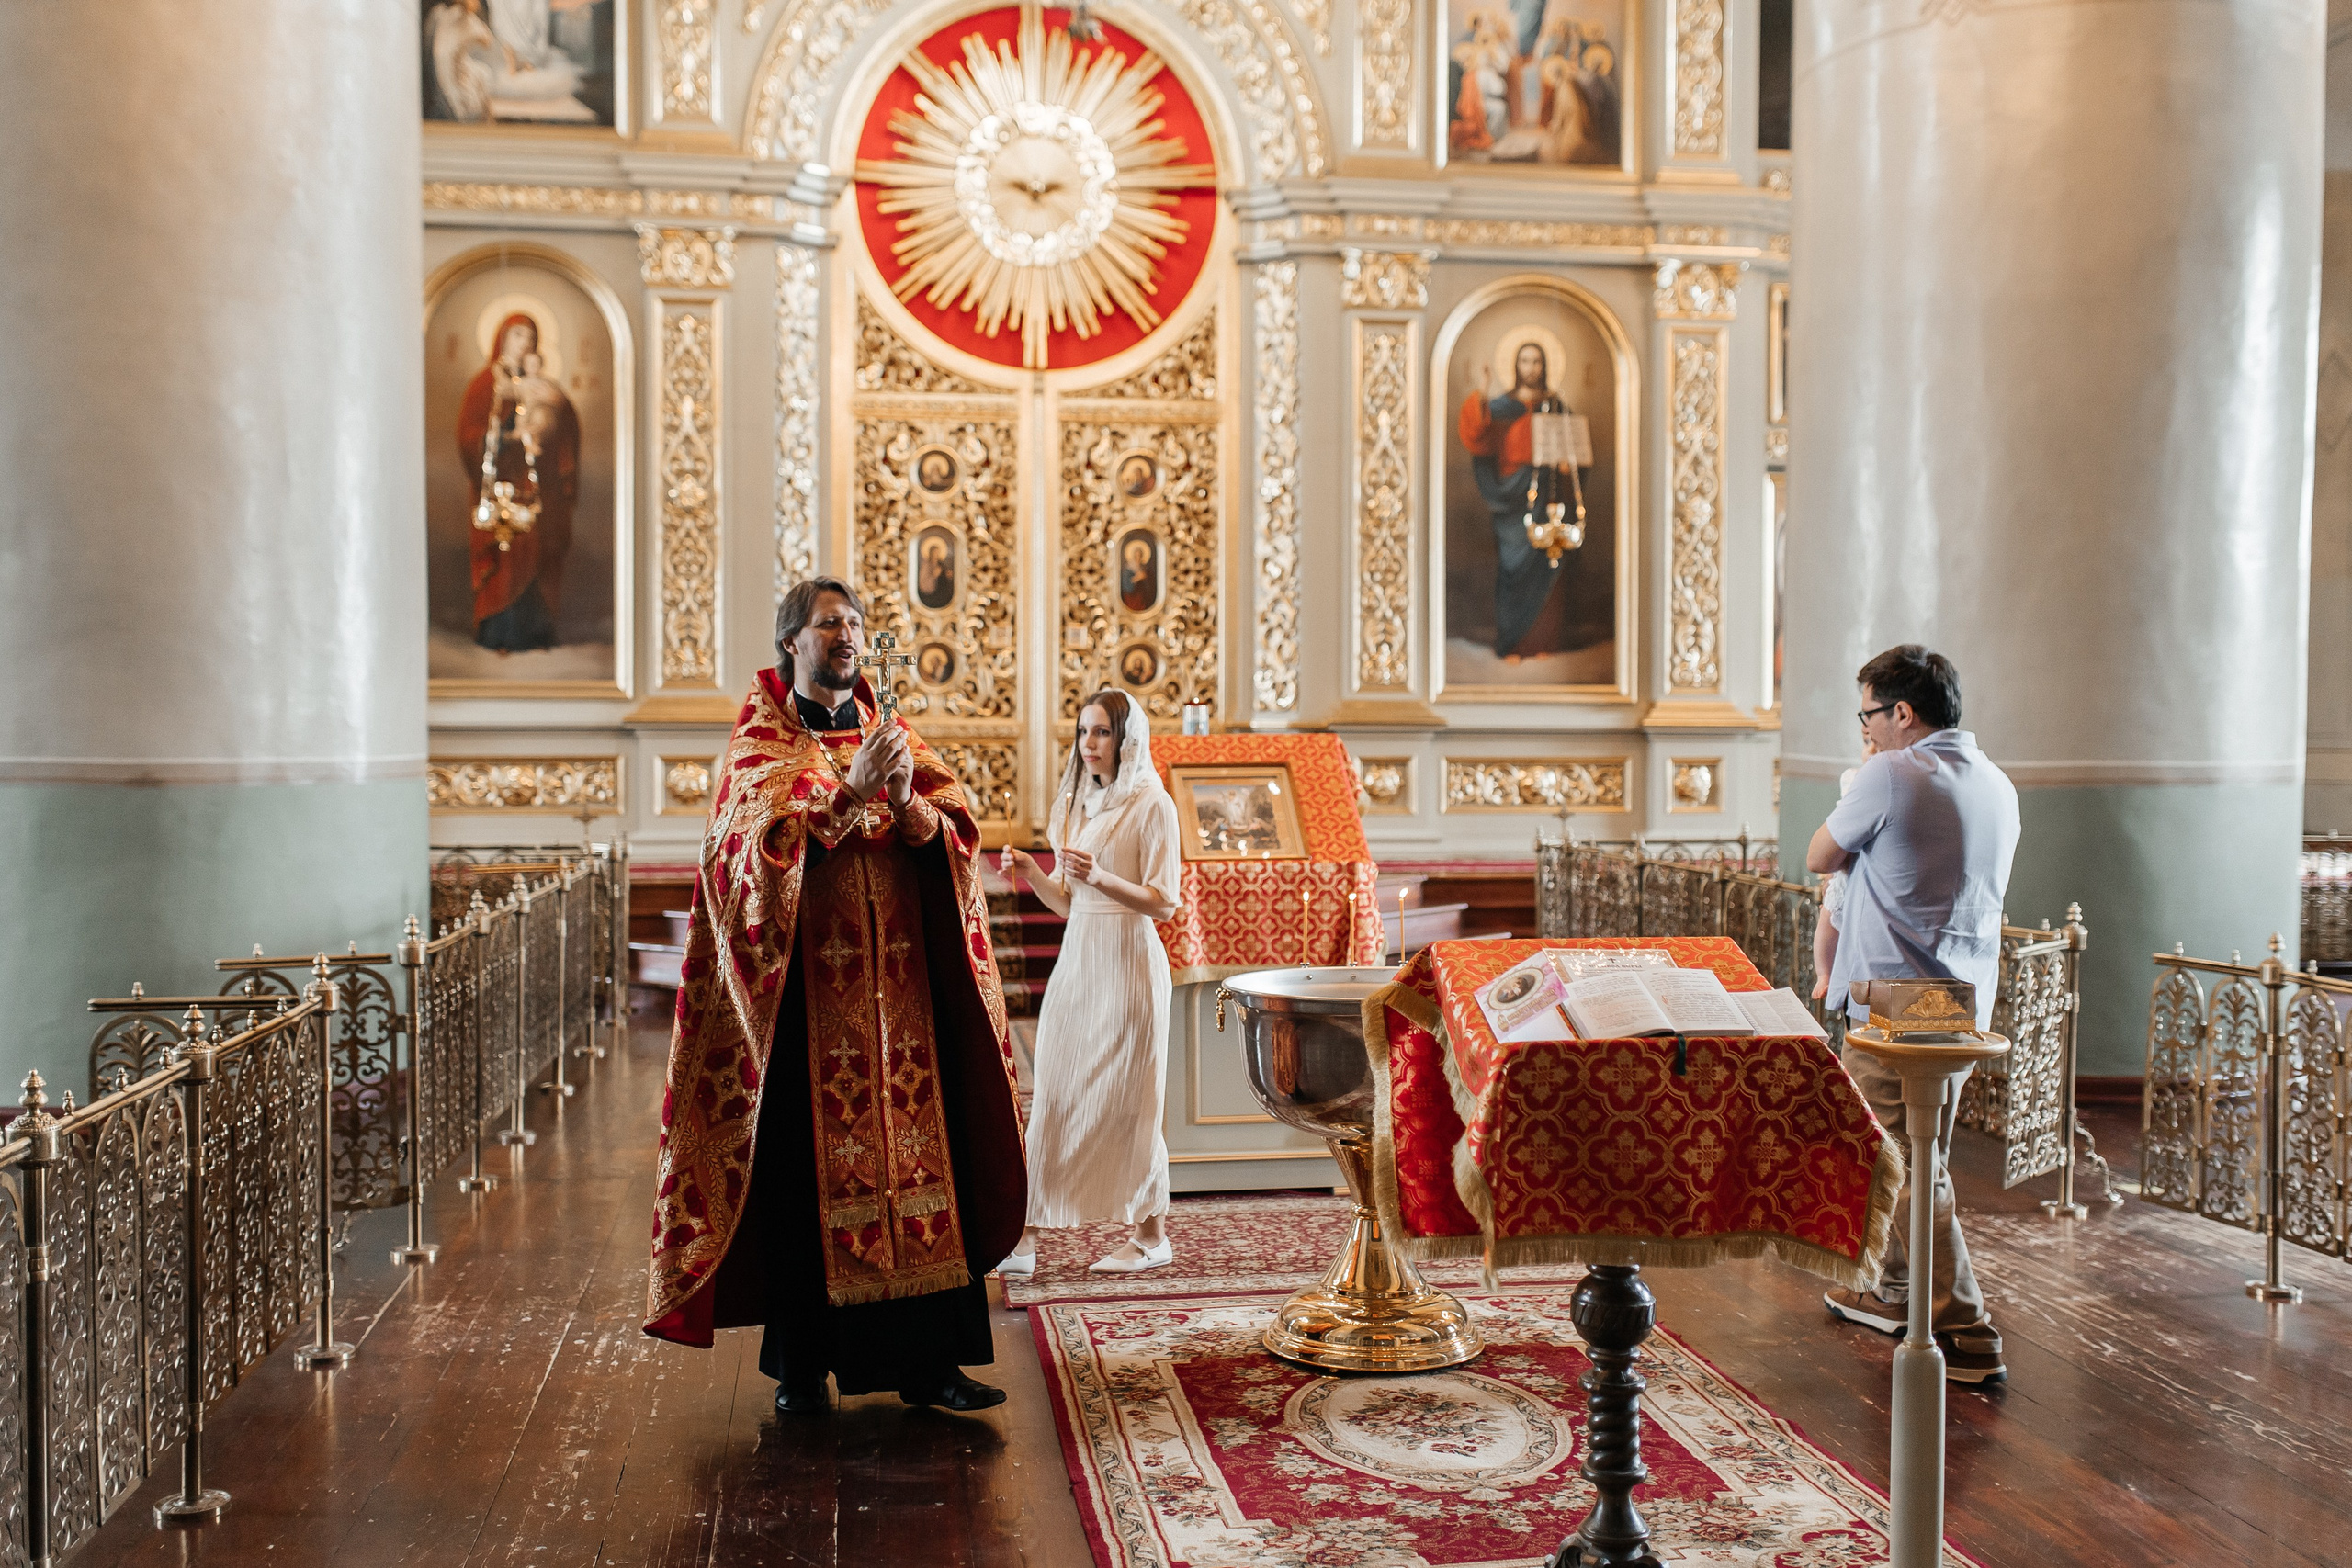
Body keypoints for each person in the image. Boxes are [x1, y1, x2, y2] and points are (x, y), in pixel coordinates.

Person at [643, 576, 1026, 1416]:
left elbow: (954, 827)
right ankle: (803, 1371)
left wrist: (906, 809)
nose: (845, 636)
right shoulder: (759, 746)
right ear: (792, 642)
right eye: (827, 625)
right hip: (806, 1011)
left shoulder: (891, 731)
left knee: (925, 1170)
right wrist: (845, 799)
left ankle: (931, 1364)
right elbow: (743, 858)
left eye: (854, 622)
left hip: (905, 1009)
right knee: (803, 1181)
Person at [1806, 644, 2020, 1385]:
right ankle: (1897, 1290)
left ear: (1902, 712)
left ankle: (1965, 1329)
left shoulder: (1891, 773)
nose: (1864, 728)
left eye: (1868, 713)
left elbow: (1818, 852)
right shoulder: (1995, 780)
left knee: (1905, 1161)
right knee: (1919, 1152)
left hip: (1894, 1002)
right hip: (1960, 1000)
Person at [995, 690, 1184, 1276]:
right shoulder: (1077, 803)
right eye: (1083, 733)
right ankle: (1023, 1236)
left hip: (1130, 962)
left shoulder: (1154, 805)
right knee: (1054, 1091)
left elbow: (1164, 903)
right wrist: (1033, 873)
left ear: (1126, 739)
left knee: (1132, 1101)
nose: (1089, 744)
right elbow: (1068, 902)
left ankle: (1152, 1236)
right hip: (1080, 962)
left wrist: (1101, 875)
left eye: (1101, 732)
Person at [459, 312, 578, 652]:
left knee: (536, 551)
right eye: (516, 335)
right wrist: (505, 432)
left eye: (529, 337)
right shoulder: (485, 384)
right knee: (504, 557)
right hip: (497, 484)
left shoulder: (540, 382)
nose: (523, 343)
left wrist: (554, 413)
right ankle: (498, 633)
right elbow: (469, 437)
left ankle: (536, 632)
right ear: (501, 338)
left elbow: (561, 422)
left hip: (534, 485)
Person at [1461, 343, 1578, 660]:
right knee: (1513, 567)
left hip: (1548, 495)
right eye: (1525, 361)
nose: (1531, 368)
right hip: (1512, 497)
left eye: (1537, 361)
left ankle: (1542, 643)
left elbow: (1574, 450)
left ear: (1545, 365)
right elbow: (1476, 434)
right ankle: (1512, 643)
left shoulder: (1556, 407)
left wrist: (1570, 465)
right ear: (1515, 365)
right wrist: (1483, 389)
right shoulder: (1504, 406)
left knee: (1546, 565)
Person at [1809, 731, 1878, 998]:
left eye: (1875, 743)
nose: (1870, 750)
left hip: (1863, 875)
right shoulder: (1855, 778)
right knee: (1827, 920)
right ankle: (1824, 973)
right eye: (1865, 742)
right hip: (1846, 869)